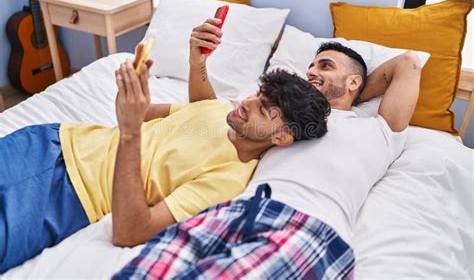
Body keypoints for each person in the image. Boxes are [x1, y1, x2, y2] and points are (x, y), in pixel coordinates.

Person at [0, 18, 331, 273]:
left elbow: (131, 232)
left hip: (69, 196)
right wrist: (137, 88)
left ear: (282, 137)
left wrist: (130, 132)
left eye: (265, 109)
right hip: (52, 139)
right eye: (257, 94)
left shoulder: (228, 180)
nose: (247, 103)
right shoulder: (220, 110)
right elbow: (143, 110)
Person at [114, 39, 422, 279]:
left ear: (354, 83)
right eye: (311, 65)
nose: (312, 71)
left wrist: (348, 93)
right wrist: (198, 62)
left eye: (325, 66)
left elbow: (409, 63)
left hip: (308, 225)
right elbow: (208, 108)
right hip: (237, 209)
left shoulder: (377, 130)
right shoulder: (274, 116)